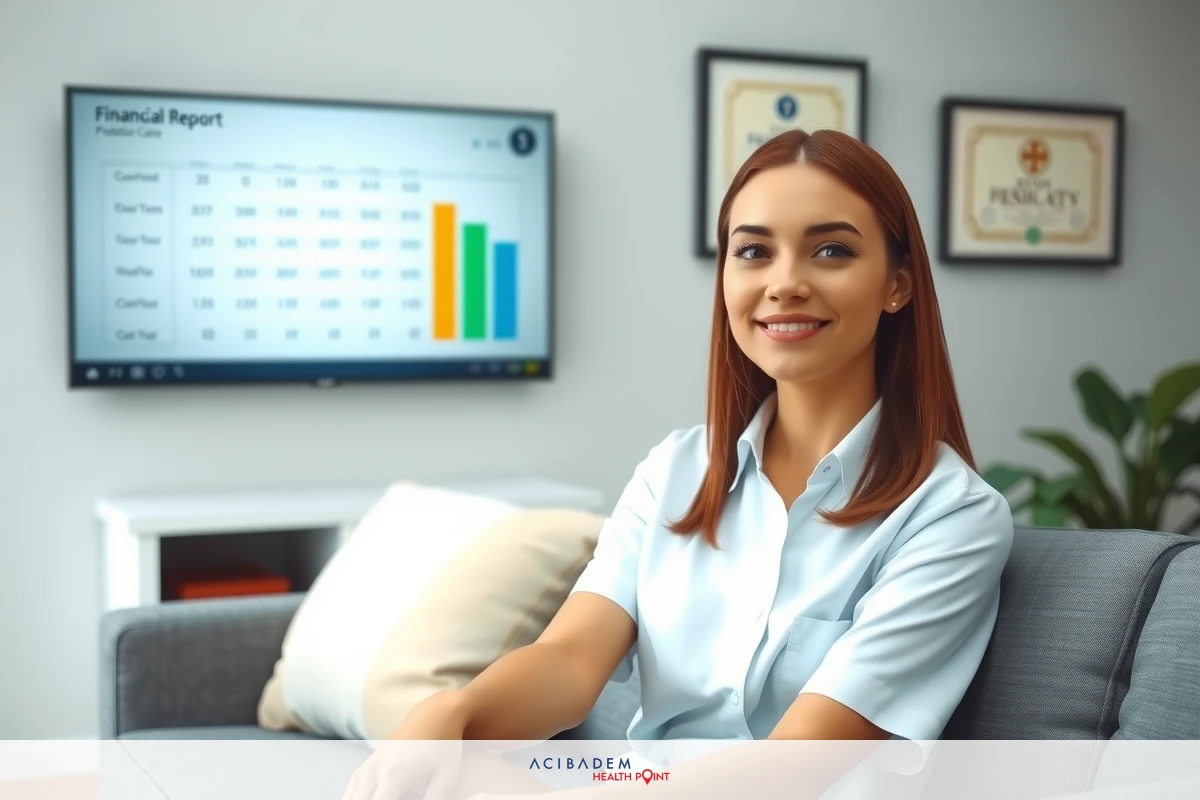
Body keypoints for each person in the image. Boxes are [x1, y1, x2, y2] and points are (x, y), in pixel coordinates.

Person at [342, 128, 1014, 800]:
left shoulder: (953, 516)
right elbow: (571, 662)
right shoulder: (675, 472)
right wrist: (449, 716)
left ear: (896, 284)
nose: (784, 283)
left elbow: (797, 766)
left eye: (831, 250)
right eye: (753, 251)